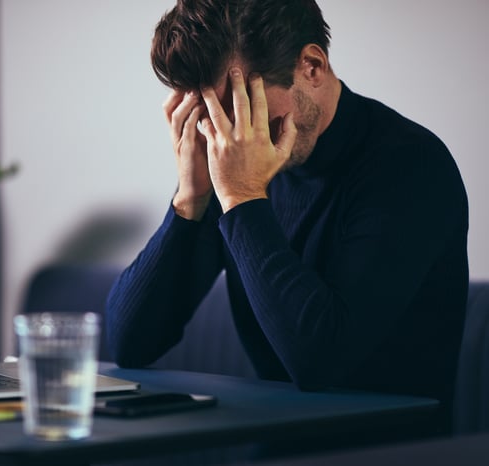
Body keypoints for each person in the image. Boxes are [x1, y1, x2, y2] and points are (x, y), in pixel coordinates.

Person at [105, 0, 468, 432]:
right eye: (213, 117)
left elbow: (321, 362)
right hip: (272, 444)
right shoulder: (233, 163)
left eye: (244, 109)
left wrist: (241, 196)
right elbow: (130, 343)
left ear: (312, 66)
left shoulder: (410, 166)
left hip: (390, 450)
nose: (232, 134)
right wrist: (190, 197)